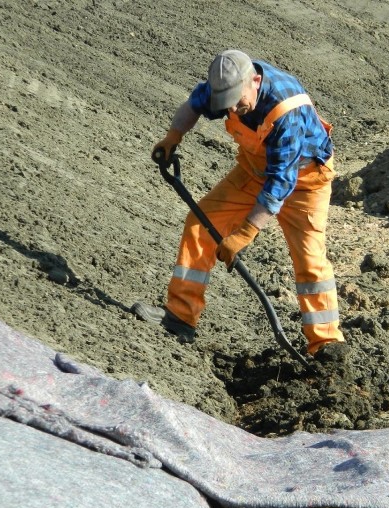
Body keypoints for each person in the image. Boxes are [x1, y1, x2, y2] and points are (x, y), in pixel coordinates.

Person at [133, 49, 347, 358]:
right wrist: (172, 137)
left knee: (310, 261)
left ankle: (326, 345)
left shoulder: (288, 112)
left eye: (237, 100)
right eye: (226, 102)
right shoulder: (225, 84)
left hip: (304, 183)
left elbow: (280, 185)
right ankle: (180, 316)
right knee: (200, 222)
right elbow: (192, 107)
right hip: (253, 171)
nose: (232, 108)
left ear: (255, 81)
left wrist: (244, 234)